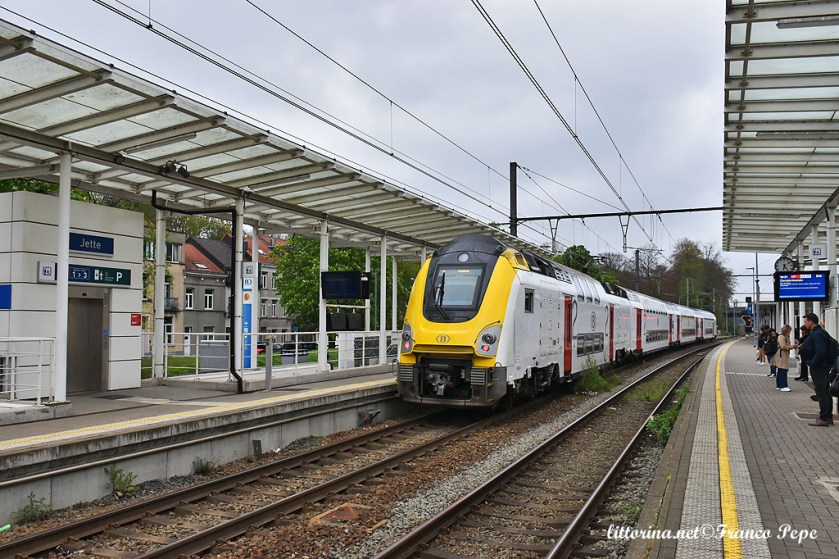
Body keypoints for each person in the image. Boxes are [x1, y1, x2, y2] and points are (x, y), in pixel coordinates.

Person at [797, 313, 833, 426]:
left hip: (819, 367)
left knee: (821, 392)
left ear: (811, 321)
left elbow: (820, 351)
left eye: (806, 322)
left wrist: (812, 362)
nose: (805, 324)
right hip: (822, 366)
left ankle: (824, 417)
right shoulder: (818, 332)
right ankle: (828, 416)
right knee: (825, 391)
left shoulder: (817, 333)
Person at [772, 324, 793, 391]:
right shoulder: (782, 337)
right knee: (783, 369)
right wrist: (791, 347)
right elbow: (783, 346)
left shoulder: (783, 336)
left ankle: (779, 385)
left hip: (783, 354)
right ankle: (783, 386)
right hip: (782, 355)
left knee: (781, 370)